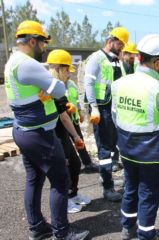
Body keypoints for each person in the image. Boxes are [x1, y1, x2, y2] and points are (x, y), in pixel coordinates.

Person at [5, 20, 88, 240]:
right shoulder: (27, 64)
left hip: (23, 130)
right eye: (43, 43)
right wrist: (50, 87)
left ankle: (38, 228)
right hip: (40, 133)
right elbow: (59, 89)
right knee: (60, 182)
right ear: (32, 41)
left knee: (34, 180)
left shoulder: (11, 62)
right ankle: (62, 232)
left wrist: (44, 89)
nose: (44, 49)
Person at [111, 34, 159, 240]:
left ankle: (127, 229)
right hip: (153, 157)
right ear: (156, 62)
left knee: (130, 190)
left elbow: (115, 117)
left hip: (127, 152)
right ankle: (146, 235)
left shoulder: (119, 84)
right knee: (148, 197)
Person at [84, 27, 129, 201]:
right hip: (101, 109)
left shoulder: (117, 61)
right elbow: (88, 83)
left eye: (122, 45)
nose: (121, 48)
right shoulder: (96, 58)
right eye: (119, 44)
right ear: (110, 41)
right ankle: (107, 188)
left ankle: (106, 176)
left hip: (113, 109)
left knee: (112, 146)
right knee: (103, 147)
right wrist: (93, 107)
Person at [47, 49, 92, 213]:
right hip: (58, 132)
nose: (69, 73)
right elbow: (64, 117)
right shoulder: (53, 86)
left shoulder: (63, 85)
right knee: (63, 168)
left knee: (75, 163)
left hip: (65, 130)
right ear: (58, 68)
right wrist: (76, 137)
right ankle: (63, 201)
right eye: (67, 69)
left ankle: (72, 194)